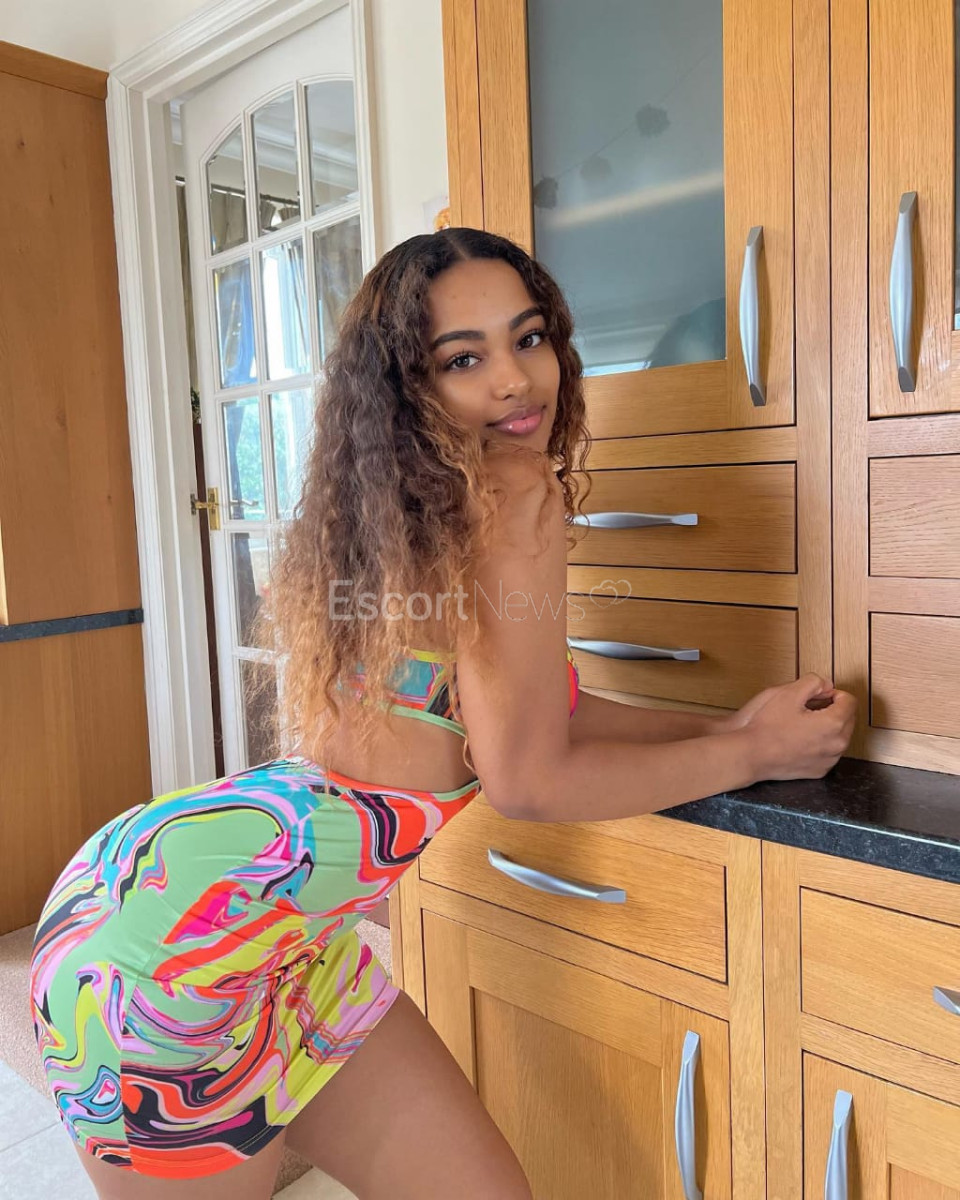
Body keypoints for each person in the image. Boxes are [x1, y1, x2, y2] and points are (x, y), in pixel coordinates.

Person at [28, 227, 856, 1200]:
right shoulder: (513, 495)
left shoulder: (420, 509)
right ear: (406, 388)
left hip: (249, 926)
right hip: (165, 957)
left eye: (529, 338)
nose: (514, 379)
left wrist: (729, 729)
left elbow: (538, 714)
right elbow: (530, 778)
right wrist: (751, 754)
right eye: (464, 358)